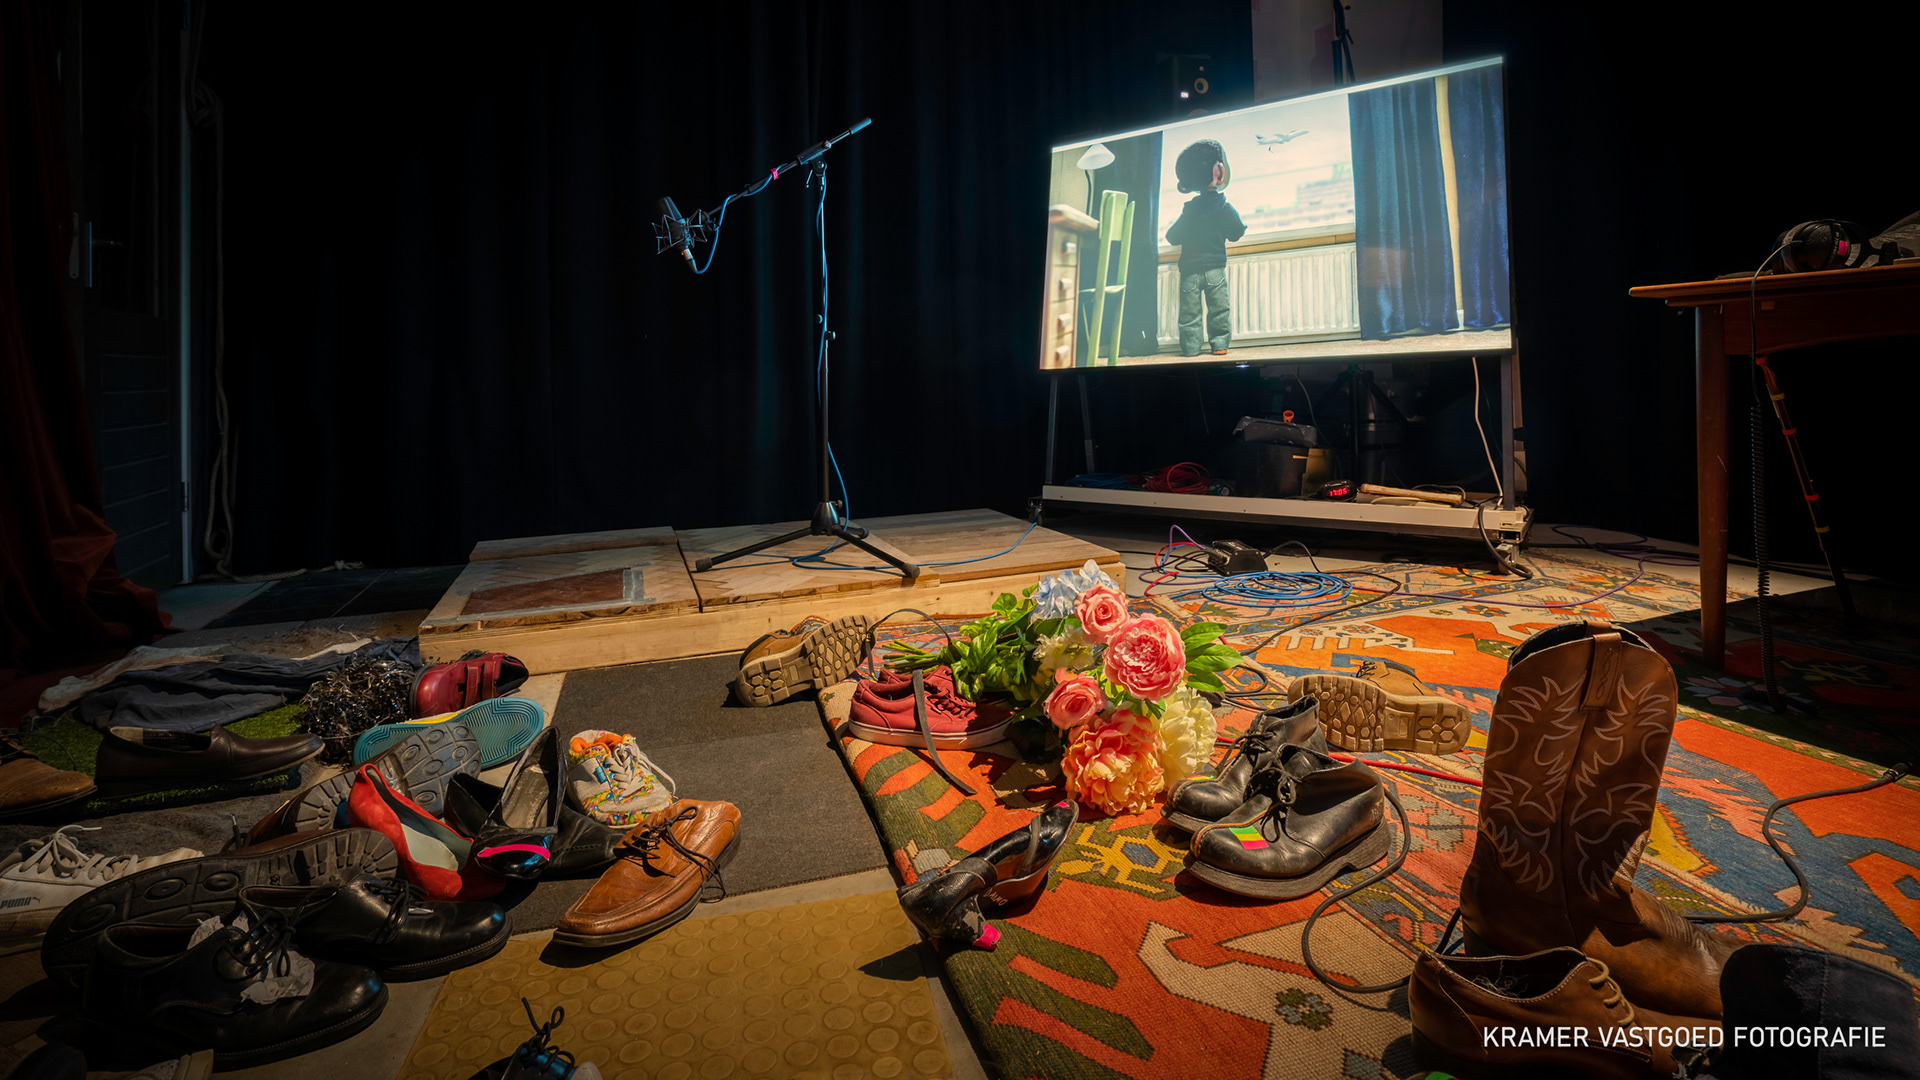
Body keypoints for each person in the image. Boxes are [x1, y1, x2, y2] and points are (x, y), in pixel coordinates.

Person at [1163, 139, 1246, 357]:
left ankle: (1191, 349)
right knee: (1219, 310)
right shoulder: (1224, 207)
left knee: (1189, 315)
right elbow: (1237, 232)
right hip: (1215, 270)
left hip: (1189, 271)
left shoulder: (1189, 210)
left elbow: (1172, 236)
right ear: (1219, 172)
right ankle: (1220, 345)